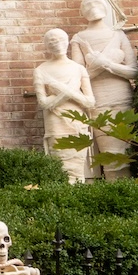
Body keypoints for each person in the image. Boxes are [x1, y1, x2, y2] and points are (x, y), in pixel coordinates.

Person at [67, 0, 138, 179]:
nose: (92, 6)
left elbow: (134, 72)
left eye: (96, 3)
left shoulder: (118, 35)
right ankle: (114, 190)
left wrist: (109, 64)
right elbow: (79, 76)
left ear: (105, 8)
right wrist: (97, 67)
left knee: (125, 151)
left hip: (123, 97)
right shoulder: (79, 38)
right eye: (87, 4)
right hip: (100, 100)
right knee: (110, 154)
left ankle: (129, 192)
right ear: (82, 13)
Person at [36, 29, 97, 183]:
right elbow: (43, 103)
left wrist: (64, 90)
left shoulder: (78, 69)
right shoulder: (40, 70)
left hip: (77, 122)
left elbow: (90, 102)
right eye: (52, 41)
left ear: (67, 42)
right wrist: (67, 91)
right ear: (47, 46)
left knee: (77, 168)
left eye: (61, 40)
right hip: (56, 123)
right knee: (60, 165)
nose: (57, 44)